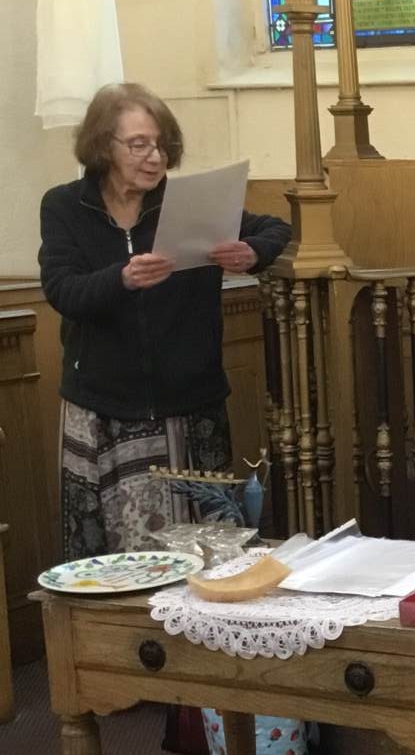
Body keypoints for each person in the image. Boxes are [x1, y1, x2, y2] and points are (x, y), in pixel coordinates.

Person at [39, 81, 291, 557]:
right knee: (115, 562)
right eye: (139, 145)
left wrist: (251, 252)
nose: (155, 157)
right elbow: (62, 290)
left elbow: (276, 228)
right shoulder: (65, 206)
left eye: (160, 144)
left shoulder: (188, 201)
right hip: (104, 406)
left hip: (190, 403)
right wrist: (123, 279)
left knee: (210, 556)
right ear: (103, 145)